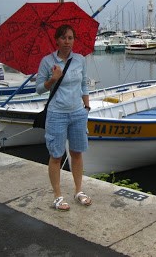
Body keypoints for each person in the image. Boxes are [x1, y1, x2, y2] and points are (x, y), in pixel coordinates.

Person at [36, 24, 92, 211]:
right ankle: (58, 196)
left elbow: (84, 84)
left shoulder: (80, 60)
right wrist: (53, 79)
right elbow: (38, 89)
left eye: (70, 38)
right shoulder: (47, 61)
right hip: (57, 113)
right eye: (63, 38)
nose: (67, 42)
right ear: (57, 40)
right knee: (56, 155)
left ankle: (78, 191)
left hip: (78, 112)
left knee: (76, 153)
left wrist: (86, 105)